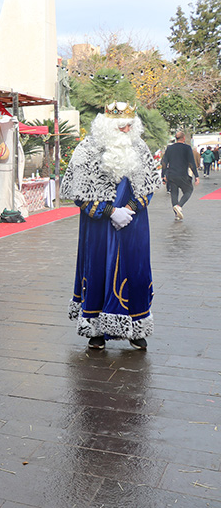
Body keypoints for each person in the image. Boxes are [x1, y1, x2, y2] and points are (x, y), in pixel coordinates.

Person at [60, 101, 162, 350]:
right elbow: (78, 192)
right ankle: (96, 331)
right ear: (106, 125)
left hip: (134, 225)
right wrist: (109, 212)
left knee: (135, 274)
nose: (126, 130)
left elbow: (148, 186)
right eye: (120, 126)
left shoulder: (140, 148)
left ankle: (135, 328)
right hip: (99, 229)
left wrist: (129, 209)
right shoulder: (87, 149)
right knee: (97, 272)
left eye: (129, 125)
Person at [161, 130, 200, 220]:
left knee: (174, 193)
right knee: (189, 190)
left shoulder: (169, 148)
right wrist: (196, 175)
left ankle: (176, 214)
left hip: (171, 175)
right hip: (182, 174)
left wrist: (163, 176)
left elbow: (164, 162)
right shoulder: (187, 148)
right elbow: (191, 162)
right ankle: (179, 206)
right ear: (184, 138)